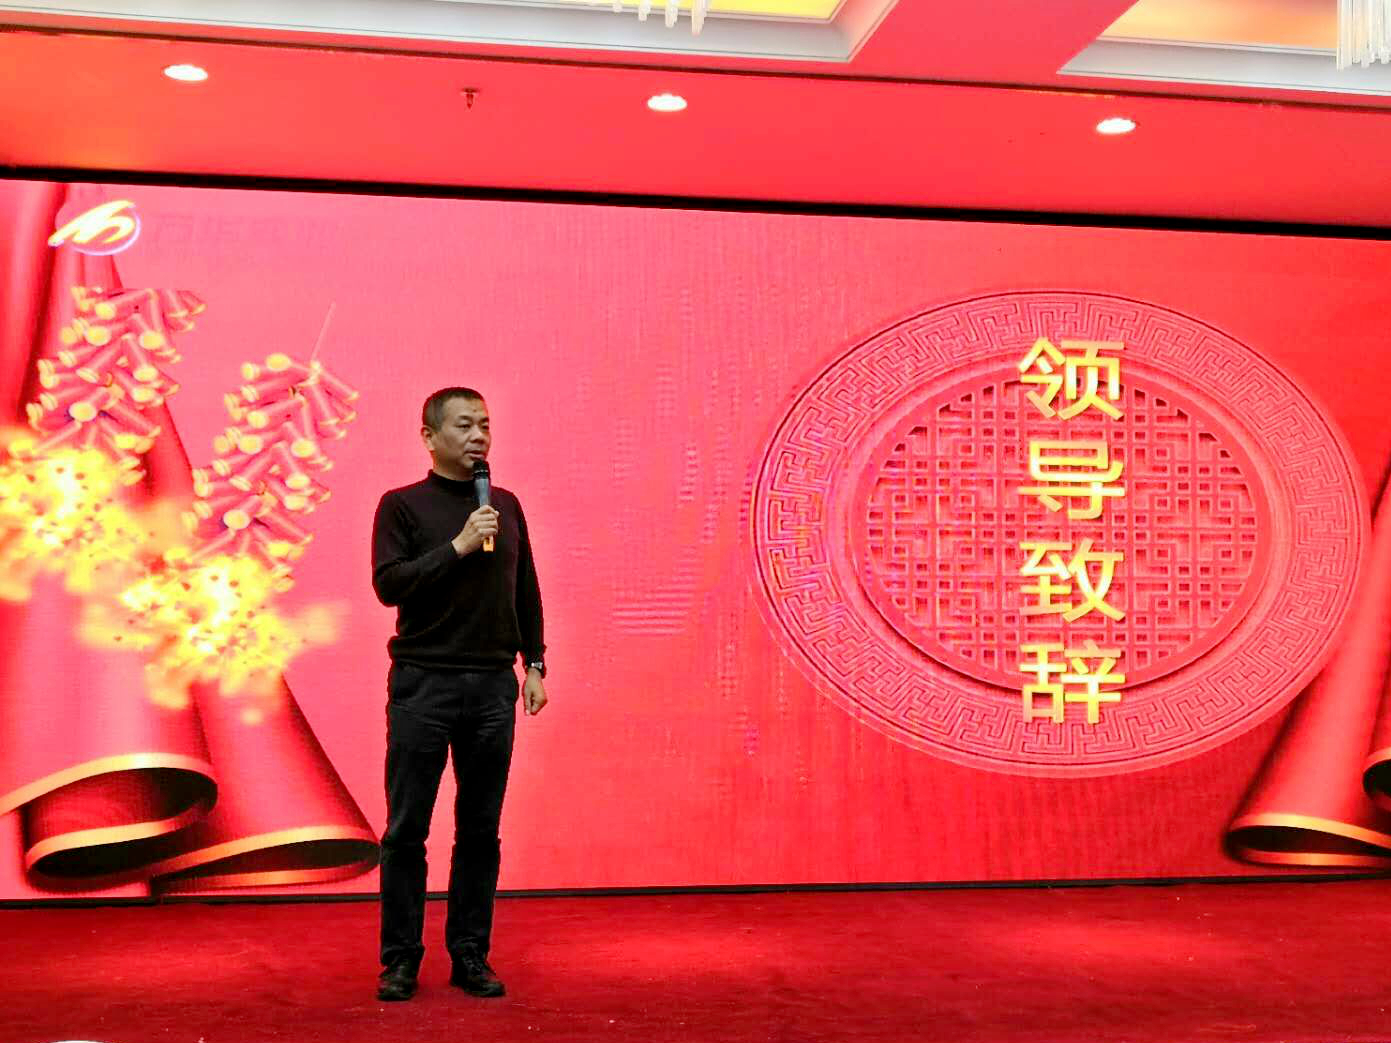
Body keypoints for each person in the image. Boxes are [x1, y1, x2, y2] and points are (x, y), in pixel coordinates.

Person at [370, 386, 548, 1002]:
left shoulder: (505, 505)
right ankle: (400, 960)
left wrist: (535, 663)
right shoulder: (401, 506)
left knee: (480, 830)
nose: (478, 436)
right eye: (464, 425)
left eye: (485, 425)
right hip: (424, 684)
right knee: (406, 830)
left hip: (493, 687)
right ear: (430, 437)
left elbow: (525, 588)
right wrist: (458, 546)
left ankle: (470, 953)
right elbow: (390, 585)